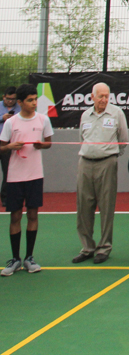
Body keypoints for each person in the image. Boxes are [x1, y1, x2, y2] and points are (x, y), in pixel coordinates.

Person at [72, 83, 129, 265]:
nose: (104, 99)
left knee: (106, 206)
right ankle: (87, 247)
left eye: (107, 96)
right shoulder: (85, 115)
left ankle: (104, 248)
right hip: (85, 163)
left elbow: (123, 140)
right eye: (101, 96)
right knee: (83, 207)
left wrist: (110, 155)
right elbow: (82, 138)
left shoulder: (116, 113)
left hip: (107, 163)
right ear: (92, 97)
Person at [0, 84, 52, 276]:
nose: (34, 103)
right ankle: (15, 259)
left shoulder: (43, 119)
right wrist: (10, 146)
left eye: (35, 99)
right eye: (29, 100)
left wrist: (42, 145)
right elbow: (1, 147)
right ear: (20, 102)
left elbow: (48, 142)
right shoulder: (10, 123)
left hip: (35, 175)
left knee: (32, 215)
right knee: (15, 216)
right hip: (15, 177)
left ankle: (29, 258)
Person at [0, 87, 20, 208]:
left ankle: (5, 198)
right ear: (4, 97)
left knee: (8, 172)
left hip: (8, 144)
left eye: (13, 99)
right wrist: (2, 118)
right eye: (8, 99)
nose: (11, 101)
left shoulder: (19, 108)